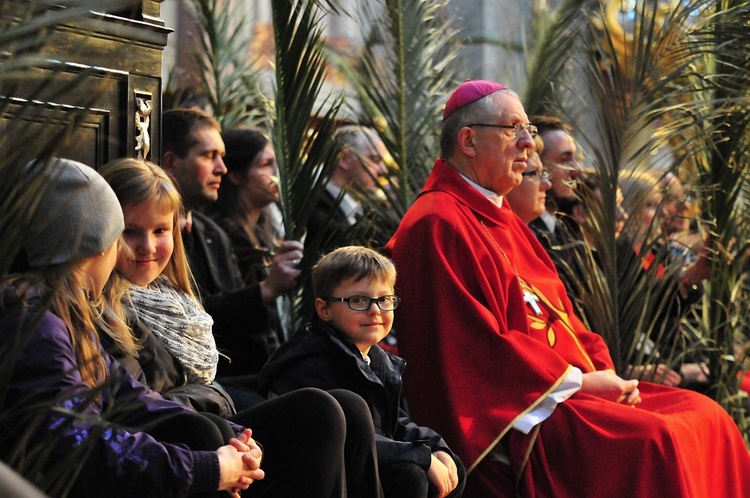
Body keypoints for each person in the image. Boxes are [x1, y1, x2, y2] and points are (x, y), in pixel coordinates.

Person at [386, 80, 750, 497]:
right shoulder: (436, 222)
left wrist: (603, 372)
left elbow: (565, 317)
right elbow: (474, 352)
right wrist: (579, 383)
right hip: (526, 412)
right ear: (468, 140)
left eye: (530, 131)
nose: (528, 144)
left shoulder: (503, 221)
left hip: (567, 391)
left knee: (708, 416)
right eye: (514, 129)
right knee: (656, 441)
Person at [0, 158, 384, 498]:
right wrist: (210, 466)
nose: (139, 248)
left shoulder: (63, 316)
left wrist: (235, 445)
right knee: (209, 433)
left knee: (323, 409)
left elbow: (131, 397)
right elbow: (82, 449)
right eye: (126, 234)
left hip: (185, 428)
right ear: (100, 248)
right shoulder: (39, 326)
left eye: (160, 231)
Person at [258, 246, 465, 498]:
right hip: (320, 478)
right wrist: (419, 456)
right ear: (324, 309)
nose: (375, 310)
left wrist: (435, 447)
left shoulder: (376, 358)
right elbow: (349, 443)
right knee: (408, 475)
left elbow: (393, 425)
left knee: (451, 467)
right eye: (358, 300)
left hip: (361, 463)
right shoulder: (310, 363)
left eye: (384, 299)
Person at [161, 109, 303, 398]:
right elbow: (184, 316)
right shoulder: (154, 239)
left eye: (222, 156)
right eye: (208, 155)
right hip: (192, 384)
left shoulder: (212, 233)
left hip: (241, 374)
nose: (221, 169)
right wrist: (265, 289)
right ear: (170, 162)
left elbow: (244, 331)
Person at [210, 127, 296, 340]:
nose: (277, 174)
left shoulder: (266, 226)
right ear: (237, 176)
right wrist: (268, 288)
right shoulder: (221, 234)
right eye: (266, 164)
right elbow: (218, 312)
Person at [306, 125, 392, 256]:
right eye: (374, 159)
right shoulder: (314, 208)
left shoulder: (371, 209)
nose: (383, 170)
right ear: (344, 158)